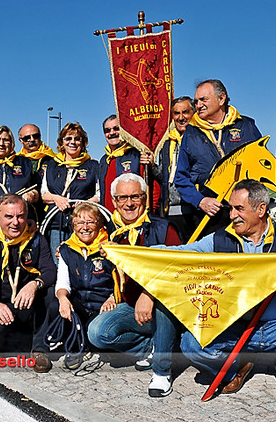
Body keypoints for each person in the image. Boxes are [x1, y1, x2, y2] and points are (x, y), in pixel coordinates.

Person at [174, 179, 276, 399]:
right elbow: (179, 254)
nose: (231, 215)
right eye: (231, 208)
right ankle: (235, 368)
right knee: (190, 344)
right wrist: (131, 255)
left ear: (261, 209)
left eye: (239, 208)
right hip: (235, 325)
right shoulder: (219, 239)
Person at [88, 173, 182, 398]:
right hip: (130, 305)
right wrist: (113, 294)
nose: (128, 203)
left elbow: (179, 272)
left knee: (162, 305)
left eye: (134, 197)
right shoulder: (111, 231)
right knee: (97, 333)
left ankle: (161, 370)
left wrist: (149, 294)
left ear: (145, 198)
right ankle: (152, 346)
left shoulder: (163, 228)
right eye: (122, 198)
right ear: (113, 200)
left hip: (165, 306)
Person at [0, 193, 56, 373]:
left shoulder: (36, 239)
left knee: (51, 293)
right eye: (9, 216)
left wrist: (34, 284)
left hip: (26, 303)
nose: (15, 222)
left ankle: (39, 349)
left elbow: (50, 271)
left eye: (20, 216)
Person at [174, 80, 262, 237]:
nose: (198, 105)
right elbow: (180, 178)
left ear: (221, 99)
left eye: (203, 100)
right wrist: (200, 201)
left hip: (246, 215)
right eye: (196, 101)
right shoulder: (191, 134)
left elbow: (261, 165)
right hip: (210, 215)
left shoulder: (246, 126)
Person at [49, 202, 117, 369]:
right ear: (73, 226)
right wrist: (62, 298)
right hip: (80, 303)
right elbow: (63, 281)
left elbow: (121, 283)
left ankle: (91, 344)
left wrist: (112, 298)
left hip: (103, 304)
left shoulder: (109, 248)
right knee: (54, 302)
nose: (84, 227)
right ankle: (74, 345)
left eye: (90, 222)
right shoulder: (66, 249)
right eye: (79, 223)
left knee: (98, 337)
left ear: (99, 224)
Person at [40, 122, 100, 258]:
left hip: (83, 224)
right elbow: (44, 194)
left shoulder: (93, 166)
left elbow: (99, 194)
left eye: (77, 138)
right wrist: (56, 198)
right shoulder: (51, 165)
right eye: (68, 139)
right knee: (59, 261)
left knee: (81, 261)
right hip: (56, 224)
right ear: (62, 142)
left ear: (83, 142)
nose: (73, 142)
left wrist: (86, 203)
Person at [152, 96, 195, 239]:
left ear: (193, 113)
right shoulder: (167, 143)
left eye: (186, 112)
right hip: (170, 210)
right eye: (177, 113)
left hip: (194, 209)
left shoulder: (201, 140)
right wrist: (152, 166)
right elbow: (164, 176)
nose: (181, 117)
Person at [98, 115, 153, 212]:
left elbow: (153, 188)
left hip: (133, 216)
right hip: (110, 219)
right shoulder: (104, 160)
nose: (112, 133)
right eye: (107, 130)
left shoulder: (137, 155)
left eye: (116, 128)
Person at [17, 124, 55, 221]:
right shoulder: (16, 161)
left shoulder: (54, 159)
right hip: (24, 211)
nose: (32, 139)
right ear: (20, 141)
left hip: (48, 211)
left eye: (35, 136)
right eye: (27, 138)